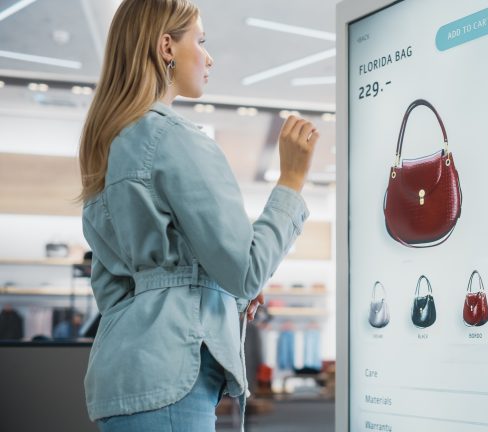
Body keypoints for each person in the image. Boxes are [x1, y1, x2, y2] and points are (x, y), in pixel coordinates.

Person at [77, 0, 318, 430]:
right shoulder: (175, 139)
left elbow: (116, 287)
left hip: (121, 382)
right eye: (200, 41)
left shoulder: (109, 147)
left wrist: (222, 287)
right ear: (166, 47)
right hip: (170, 379)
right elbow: (246, 270)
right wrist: (292, 180)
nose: (209, 58)